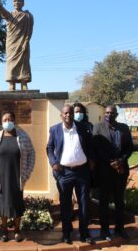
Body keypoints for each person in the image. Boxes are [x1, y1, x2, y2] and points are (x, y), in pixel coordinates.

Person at [46, 104, 95, 245]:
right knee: (65, 205)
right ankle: (67, 233)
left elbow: (90, 145)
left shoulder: (83, 127)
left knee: (84, 204)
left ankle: (84, 233)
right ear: (61, 115)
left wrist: (92, 160)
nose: (68, 115)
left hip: (82, 172)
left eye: (71, 113)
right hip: (64, 173)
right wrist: (54, 162)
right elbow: (49, 147)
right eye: (65, 113)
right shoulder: (55, 129)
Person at [0, 111, 35, 242]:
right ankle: (4, 230)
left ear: (14, 121)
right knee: (2, 204)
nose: (7, 122)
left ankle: (17, 229)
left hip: (17, 177)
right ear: (2, 122)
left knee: (17, 203)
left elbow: (32, 154)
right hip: (1, 178)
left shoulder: (23, 136)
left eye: (10, 119)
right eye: (5, 120)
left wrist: (27, 173)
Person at [92, 105, 133, 241]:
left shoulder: (124, 128)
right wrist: (111, 162)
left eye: (112, 113)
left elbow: (129, 147)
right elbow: (96, 148)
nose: (109, 115)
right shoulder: (97, 127)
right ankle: (104, 230)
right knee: (104, 201)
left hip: (121, 170)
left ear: (117, 114)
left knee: (119, 201)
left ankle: (119, 228)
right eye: (107, 113)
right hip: (105, 171)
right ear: (104, 114)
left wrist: (121, 160)